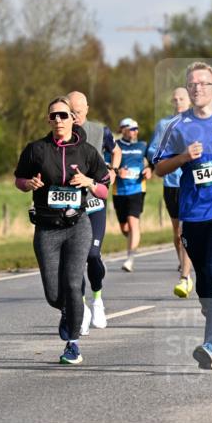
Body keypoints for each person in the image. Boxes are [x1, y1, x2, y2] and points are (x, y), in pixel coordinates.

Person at [153, 61, 212, 370]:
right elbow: (159, 168)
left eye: (203, 83)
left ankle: (209, 343)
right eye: (192, 84)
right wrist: (183, 157)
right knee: (205, 281)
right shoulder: (176, 126)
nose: (197, 88)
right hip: (193, 213)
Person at [15, 96, 111, 365]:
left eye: (63, 115)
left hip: (78, 226)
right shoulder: (36, 150)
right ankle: (67, 311)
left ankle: (73, 344)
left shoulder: (87, 152)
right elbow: (18, 180)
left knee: (72, 283)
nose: (58, 120)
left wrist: (89, 182)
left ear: (73, 119)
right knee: (54, 294)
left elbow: (104, 189)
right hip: (47, 229)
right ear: (48, 120)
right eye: (53, 115)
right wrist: (28, 184)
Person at [67, 91, 117, 334]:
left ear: (86, 108)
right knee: (74, 260)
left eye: (78, 111)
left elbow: (115, 149)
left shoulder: (100, 131)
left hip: (95, 202)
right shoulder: (60, 134)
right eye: (70, 111)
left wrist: (113, 169)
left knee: (93, 255)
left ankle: (97, 300)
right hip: (70, 207)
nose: (74, 116)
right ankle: (82, 309)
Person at [148, 88, 194, 298]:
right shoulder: (164, 124)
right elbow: (152, 150)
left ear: (189, 100)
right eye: (175, 99)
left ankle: (186, 275)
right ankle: (183, 263)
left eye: (182, 99)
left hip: (190, 183)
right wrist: (168, 156)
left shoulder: (196, 123)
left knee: (186, 230)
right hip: (171, 183)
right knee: (177, 232)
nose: (178, 102)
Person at [111, 118, 149, 273]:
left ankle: (130, 259)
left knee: (133, 223)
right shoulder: (114, 145)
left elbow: (153, 161)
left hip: (137, 189)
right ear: (122, 129)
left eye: (136, 129)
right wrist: (116, 171)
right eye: (132, 129)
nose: (135, 131)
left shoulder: (142, 146)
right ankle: (133, 239)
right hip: (119, 191)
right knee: (125, 227)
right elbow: (106, 164)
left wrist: (149, 169)